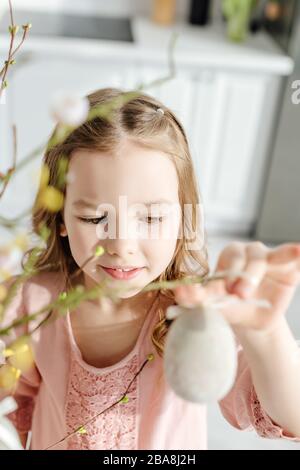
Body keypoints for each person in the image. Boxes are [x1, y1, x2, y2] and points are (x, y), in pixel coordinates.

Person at [1, 88, 300, 450]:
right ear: (60, 217)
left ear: (183, 218)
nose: (122, 245)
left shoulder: (195, 313)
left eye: (152, 217)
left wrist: (266, 334)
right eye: (95, 217)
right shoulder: (29, 303)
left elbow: (290, 417)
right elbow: (15, 403)